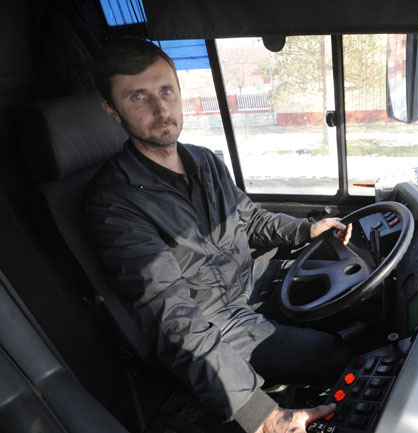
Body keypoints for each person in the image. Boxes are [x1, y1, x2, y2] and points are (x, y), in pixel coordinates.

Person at [84, 37, 352, 433]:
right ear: (112, 110)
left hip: (248, 281)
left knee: (351, 293)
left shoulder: (205, 161)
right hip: (213, 318)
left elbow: (248, 218)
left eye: (166, 91)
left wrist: (305, 229)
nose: (161, 109)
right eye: (138, 97)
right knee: (332, 355)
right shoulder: (114, 205)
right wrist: (262, 415)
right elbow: (174, 319)